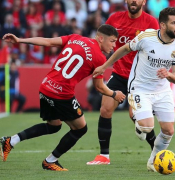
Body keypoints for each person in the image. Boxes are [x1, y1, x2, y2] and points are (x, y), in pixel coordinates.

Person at [0, 24, 126, 171]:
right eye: (111, 41)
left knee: (54, 126)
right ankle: (50, 161)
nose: (114, 45)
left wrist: (20, 40)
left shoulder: (75, 38)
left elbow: (47, 42)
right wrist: (114, 94)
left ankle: (11, 140)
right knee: (80, 128)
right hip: (61, 94)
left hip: (46, 86)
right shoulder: (99, 57)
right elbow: (99, 87)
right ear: (100, 38)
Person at [93, 7, 175, 172]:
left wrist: (168, 75)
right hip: (140, 87)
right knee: (146, 126)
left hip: (163, 91)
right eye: (174, 23)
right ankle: (109, 151)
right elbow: (124, 49)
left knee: (168, 130)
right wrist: (105, 66)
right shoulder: (146, 37)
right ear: (163, 25)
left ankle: (153, 160)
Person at [86, 0, 159, 165]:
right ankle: (104, 156)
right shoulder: (115, 19)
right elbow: (102, 41)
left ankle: (157, 152)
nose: (134, 1)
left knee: (138, 118)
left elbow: (157, 48)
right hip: (119, 74)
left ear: (144, 2)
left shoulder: (151, 22)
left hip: (140, 77)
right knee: (105, 109)